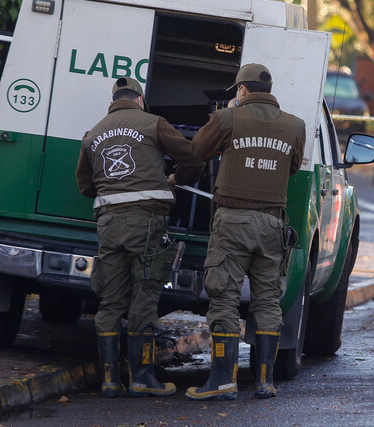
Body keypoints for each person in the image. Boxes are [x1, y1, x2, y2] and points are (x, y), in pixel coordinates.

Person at [76, 77, 204, 398]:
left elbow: (85, 185)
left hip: (108, 223)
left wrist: (113, 190)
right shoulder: (153, 124)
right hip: (145, 223)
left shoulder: (93, 134)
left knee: (110, 301)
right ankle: (142, 377)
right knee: (144, 296)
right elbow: (192, 157)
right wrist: (176, 178)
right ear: (141, 99)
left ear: (113, 100)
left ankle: (109, 381)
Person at [185, 63, 305, 400]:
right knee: (268, 300)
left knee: (223, 296)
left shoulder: (228, 119)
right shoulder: (296, 125)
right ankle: (264, 381)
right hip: (272, 225)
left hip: (233, 222)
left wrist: (223, 117)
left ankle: (223, 381)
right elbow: (292, 167)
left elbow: (197, 151)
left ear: (241, 91)